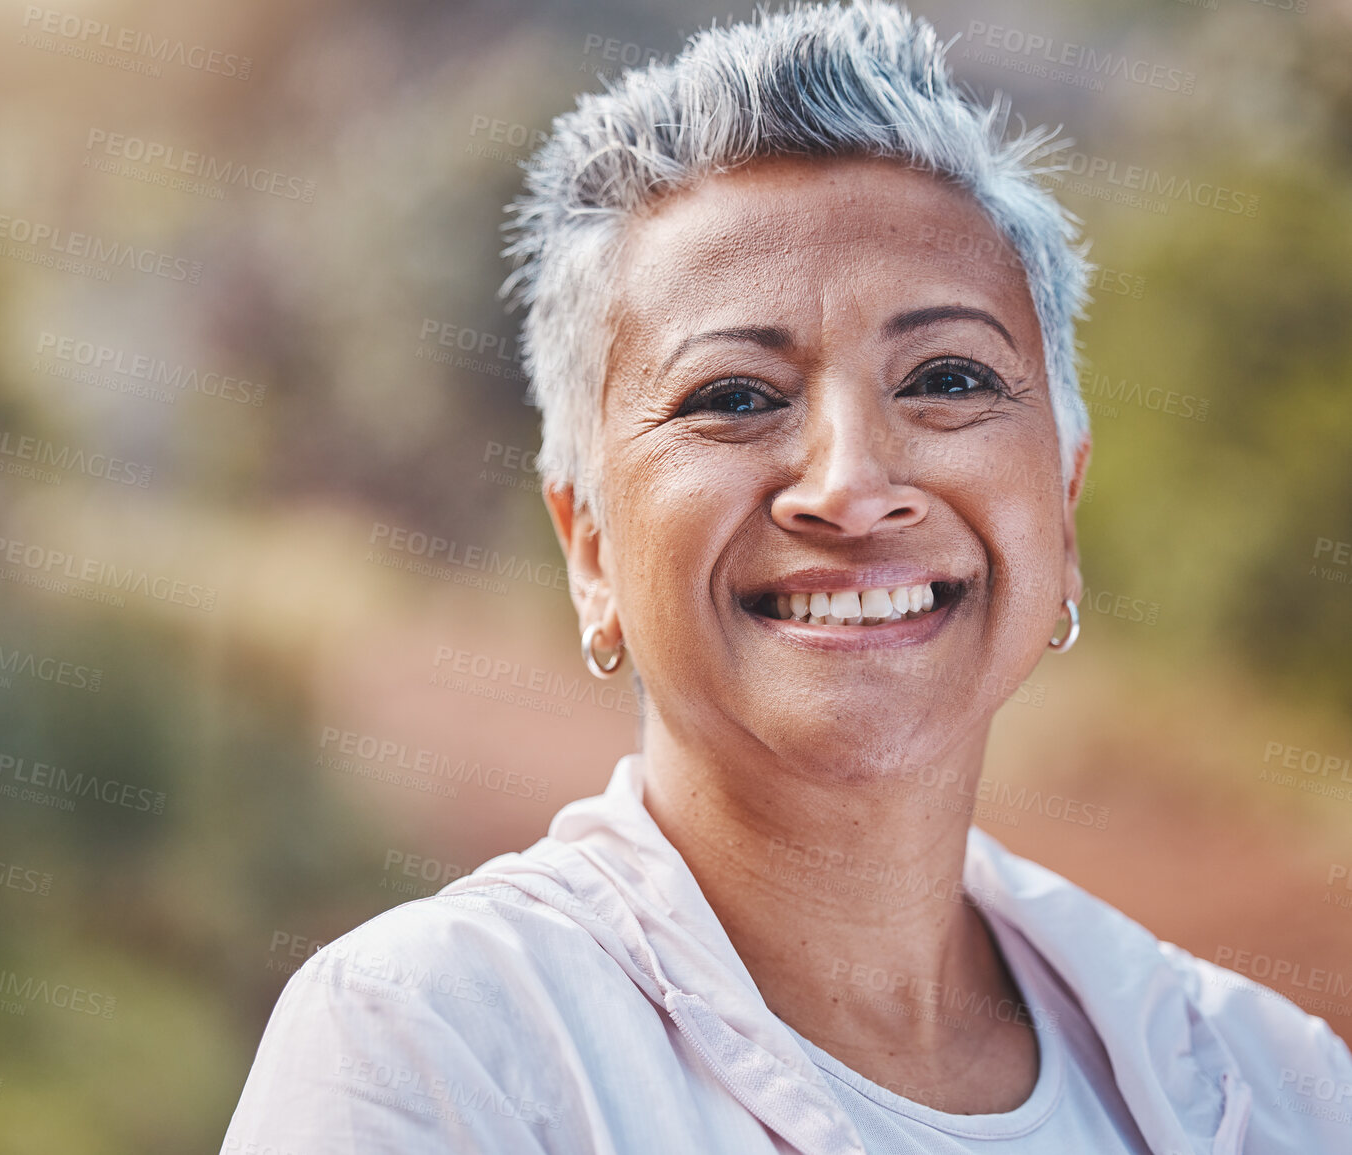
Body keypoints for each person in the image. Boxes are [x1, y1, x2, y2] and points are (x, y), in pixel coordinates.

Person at [223, 3, 1352, 1151]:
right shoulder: (431, 1051)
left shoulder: (1275, 1087)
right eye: (733, 396)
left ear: (1061, 508)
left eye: (949, 377)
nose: (853, 488)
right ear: (593, 550)